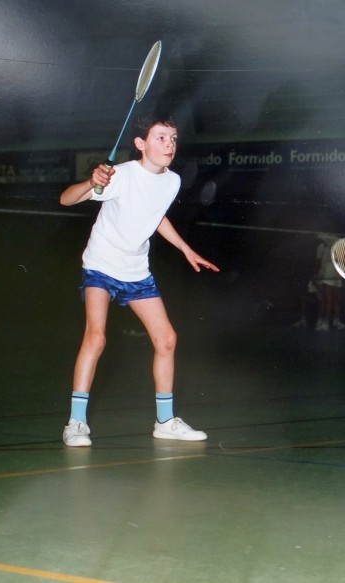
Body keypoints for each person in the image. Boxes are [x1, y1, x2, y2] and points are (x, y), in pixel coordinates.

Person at [59, 115, 219, 447]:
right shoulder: (121, 175)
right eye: (160, 138)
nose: (169, 145)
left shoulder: (172, 181)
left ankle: (165, 421)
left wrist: (186, 249)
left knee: (167, 340)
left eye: (173, 139)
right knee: (97, 337)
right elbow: (66, 199)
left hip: (136, 271)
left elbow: (155, 215)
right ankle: (75, 423)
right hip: (102, 264)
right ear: (140, 144)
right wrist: (92, 182)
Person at [312, 234, 345, 331]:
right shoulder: (321, 247)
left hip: (337, 274)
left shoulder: (340, 247)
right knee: (327, 299)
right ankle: (323, 321)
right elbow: (318, 262)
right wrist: (318, 275)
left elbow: (342, 261)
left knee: (336, 299)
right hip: (326, 274)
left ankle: (336, 320)